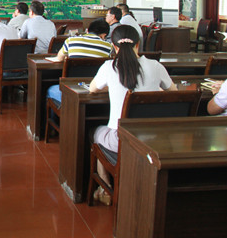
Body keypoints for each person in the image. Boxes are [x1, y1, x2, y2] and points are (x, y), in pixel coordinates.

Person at [88, 25, 175, 203]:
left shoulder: (110, 66)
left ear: (114, 47)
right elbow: (173, 91)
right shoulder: (155, 66)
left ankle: (105, 189)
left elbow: (92, 89)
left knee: (94, 132)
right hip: (152, 139)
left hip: (120, 140)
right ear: (138, 44)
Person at [45, 18, 112, 106]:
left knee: (51, 90)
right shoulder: (108, 47)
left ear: (87, 30)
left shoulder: (71, 40)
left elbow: (59, 58)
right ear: (104, 35)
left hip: (70, 90)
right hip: (93, 91)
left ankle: (60, 113)